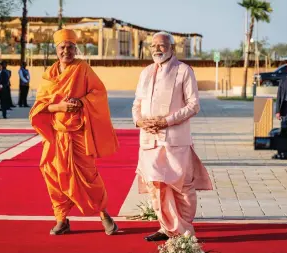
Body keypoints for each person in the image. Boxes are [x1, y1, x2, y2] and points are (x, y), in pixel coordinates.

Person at [29, 29, 119, 236]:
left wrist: (80, 102)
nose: (66, 51)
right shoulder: (48, 75)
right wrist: (59, 107)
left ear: (75, 49)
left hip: (78, 133)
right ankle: (61, 219)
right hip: (55, 136)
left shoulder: (83, 68)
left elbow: (99, 93)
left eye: (70, 47)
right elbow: (40, 107)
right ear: (56, 50)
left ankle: (104, 215)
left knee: (89, 175)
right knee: (53, 175)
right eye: (62, 47)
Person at [132, 31, 213, 242]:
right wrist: (139, 121)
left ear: (172, 48)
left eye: (162, 45)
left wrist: (166, 121)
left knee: (182, 186)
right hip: (149, 139)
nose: (157, 49)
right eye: (154, 46)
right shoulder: (146, 72)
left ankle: (183, 230)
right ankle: (165, 226)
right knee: (155, 185)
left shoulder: (184, 71)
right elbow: (137, 103)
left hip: (175, 139)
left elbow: (194, 105)